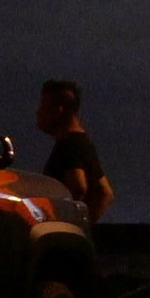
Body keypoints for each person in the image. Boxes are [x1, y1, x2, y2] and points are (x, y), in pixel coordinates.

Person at [37, 79, 113, 223]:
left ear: (58, 111)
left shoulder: (69, 145)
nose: (38, 112)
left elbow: (78, 187)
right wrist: (84, 226)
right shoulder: (81, 142)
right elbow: (105, 193)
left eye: (43, 107)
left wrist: (64, 223)